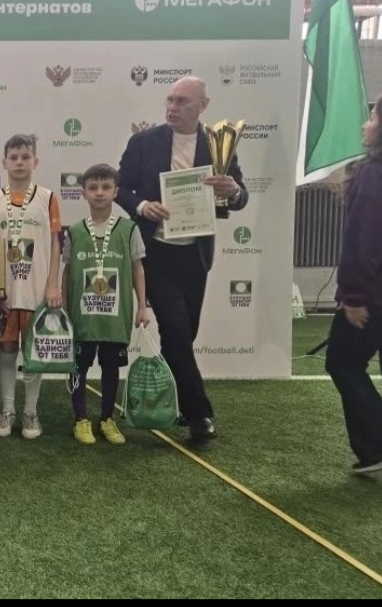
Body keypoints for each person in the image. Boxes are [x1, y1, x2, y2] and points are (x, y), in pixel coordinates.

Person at [115, 76, 248, 443]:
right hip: (155, 252)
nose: (172, 107)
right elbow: (120, 187)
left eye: (182, 102)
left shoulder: (217, 145)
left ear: (203, 105)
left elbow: (241, 196)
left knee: (184, 334)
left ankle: (175, 401)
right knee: (175, 330)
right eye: (170, 100)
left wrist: (233, 191)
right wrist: (143, 205)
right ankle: (199, 414)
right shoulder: (144, 142)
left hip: (195, 255)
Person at [0, 134, 62, 440]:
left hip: (37, 290)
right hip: (6, 292)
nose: (19, 162)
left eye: (25, 157)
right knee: (7, 350)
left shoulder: (48, 198)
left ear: (35, 161)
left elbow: (55, 244)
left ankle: (30, 412)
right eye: (13, 157)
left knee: (33, 353)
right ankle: (7, 410)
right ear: (4, 162)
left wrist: (52, 285)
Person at [326, 93, 382, 474]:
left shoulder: (376, 175)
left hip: (375, 297)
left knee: (343, 362)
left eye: (372, 119)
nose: (365, 125)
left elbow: (365, 240)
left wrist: (352, 295)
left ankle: (381, 443)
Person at [62, 164, 149, 446]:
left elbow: (137, 269)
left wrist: (142, 306)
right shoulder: (74, 231)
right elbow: (66, 272)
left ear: (116, 191)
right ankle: (80, 418)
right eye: (93, 187)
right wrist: (64, 308)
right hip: (82, 315)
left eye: (106, 187)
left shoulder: (129, 229)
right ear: (83, 193)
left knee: (111, 367)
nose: (99, 193)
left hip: (115, 315)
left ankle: (107, 418)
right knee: (78, 366)